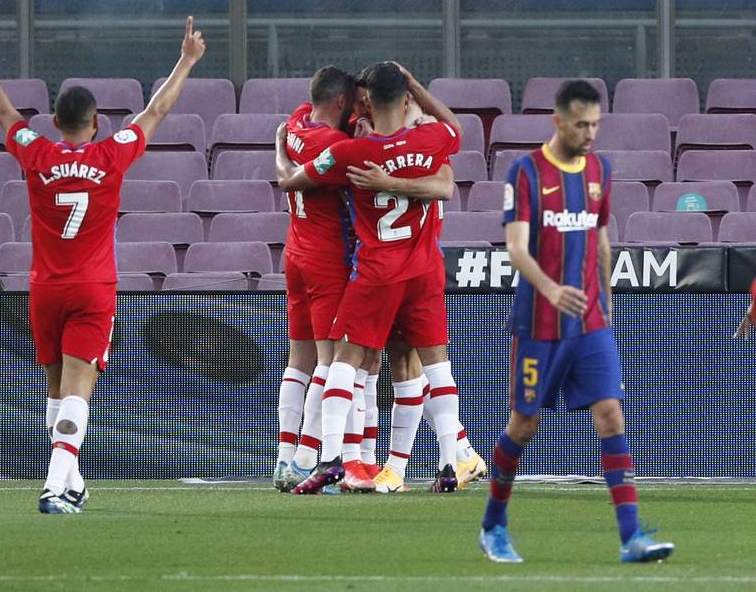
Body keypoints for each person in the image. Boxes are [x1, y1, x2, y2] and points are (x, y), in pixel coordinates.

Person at [0, 14, 206, 513]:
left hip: (44, 288)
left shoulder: (38, 154)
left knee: (56, 390)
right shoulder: (110, 155)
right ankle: (54, 488)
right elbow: (157, 110)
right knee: (77, 391)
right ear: (96, 124)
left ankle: (71, 480)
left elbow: (3, 110)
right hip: (93, 288)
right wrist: (186, 60)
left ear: (54, 121)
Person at [479, 80, 674, 563]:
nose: (590, 134)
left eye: (595, 125)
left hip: (590, 323)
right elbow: (516, 249)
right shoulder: (526, 172)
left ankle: (632, 537)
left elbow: (601, 240)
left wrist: (603, 304)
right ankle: (493, 525)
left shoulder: (600, 171)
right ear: (559, 121)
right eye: (582, 124)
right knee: (523, 427)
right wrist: (550, 289)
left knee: (611, 415)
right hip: (539, 324)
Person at [277, 62, 462, 495]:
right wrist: (417, 83)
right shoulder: (431, 140)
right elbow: (452, 138)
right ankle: (446, 464)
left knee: (345, 360)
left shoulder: (348, 152)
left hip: (375, 269)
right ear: (405, 98)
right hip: (424, 269)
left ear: (368, 103)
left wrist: (282, 150)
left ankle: (327, 458)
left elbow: (293, 180)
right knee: (434, 366)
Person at [271, 66, 362, 491]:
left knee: (298, 361)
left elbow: (283, 172)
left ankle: (283, 458)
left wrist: (279, 149)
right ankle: (306, 458)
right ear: (342, 103)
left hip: (294, 252)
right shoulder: (336, 145)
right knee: (330, 361)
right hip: (326, 258)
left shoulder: (294, 122)